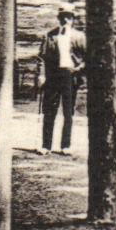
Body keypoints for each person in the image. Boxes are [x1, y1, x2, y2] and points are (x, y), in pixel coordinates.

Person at [37, 9, 87, 156]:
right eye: (63, 17)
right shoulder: (50, 36)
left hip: (70, 76)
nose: (66, 20)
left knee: (68, 112)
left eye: (69, 17)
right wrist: (41, 76)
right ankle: (46, 145)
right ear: (59, 19)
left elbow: (88, 57)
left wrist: (78, 68)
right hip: (53, 76)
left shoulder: (79, 37)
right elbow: (41, 58)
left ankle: (66, 145)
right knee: (49, 111)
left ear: (73, 19)